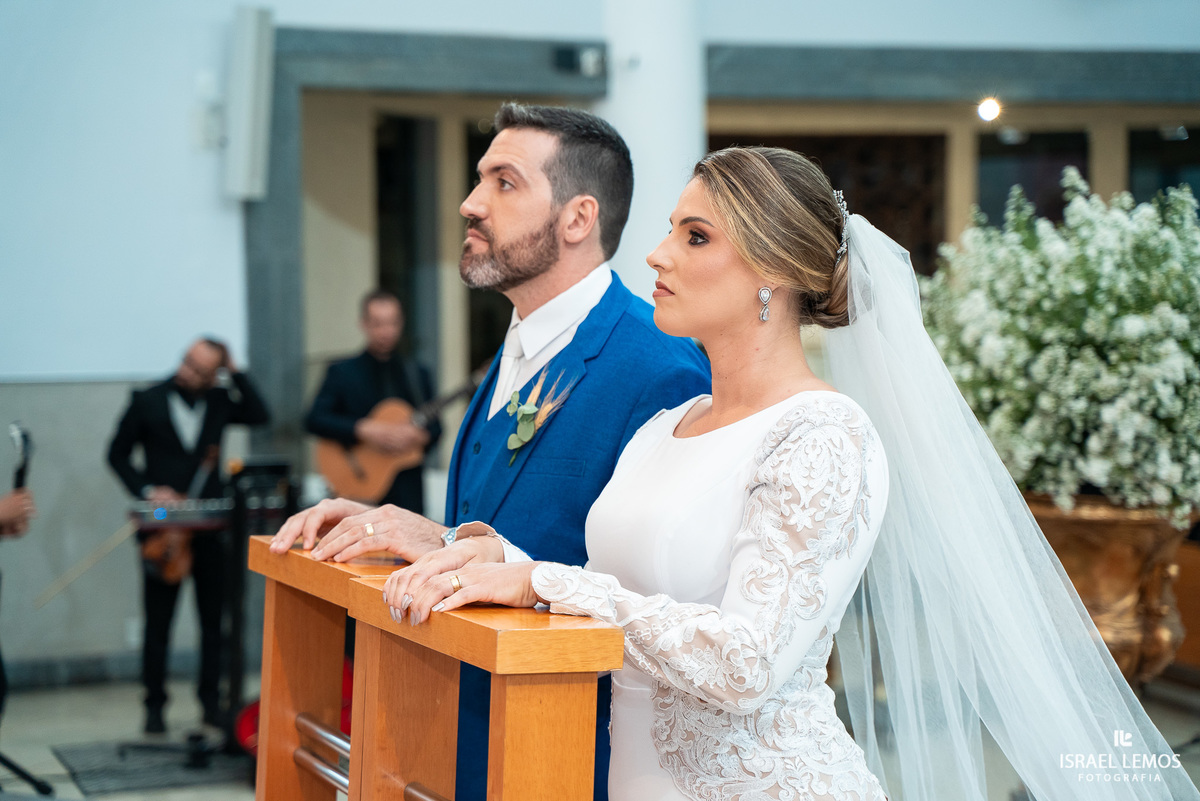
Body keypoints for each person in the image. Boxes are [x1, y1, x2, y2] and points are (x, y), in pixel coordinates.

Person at [386, 147, 1200, 801]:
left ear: (772, 274)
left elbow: (746, 662)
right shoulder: (665, 426)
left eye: (695, 237)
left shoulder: (823, 435)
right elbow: (604, 587)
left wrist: (544, 584)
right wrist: (499, 557)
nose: (658, 253)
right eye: (671, 228)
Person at [270, 103, 711, 800]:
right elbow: (483, 533)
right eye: (479, 180)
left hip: (566, 750)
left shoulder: (659, 368)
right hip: (457, 734)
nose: (470, 204)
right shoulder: (509, 351)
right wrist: (404, 534)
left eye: (503, 183)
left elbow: (664, 597)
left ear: (576, 219)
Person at [108, 338, 270, 734]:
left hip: (210, 530)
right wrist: (149, 490)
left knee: (214, 622)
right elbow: (116, 454)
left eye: (200, 369)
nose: (187, 372)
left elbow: (260, 413)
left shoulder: (219, 399)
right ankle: (154, 707)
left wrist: (236, 371)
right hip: (163, 529)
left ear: (213, 373)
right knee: (158, 621)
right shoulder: (146, 399)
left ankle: (211, 704)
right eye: (186, 363)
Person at [306, 290, 440, 512]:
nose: (386, 331)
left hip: (407, 489)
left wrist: (419, 437)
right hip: (357, 482)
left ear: (401, 323)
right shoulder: (342, 372)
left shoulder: (418, 373)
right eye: (378, 324)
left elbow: (436, 429)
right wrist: (363, 429)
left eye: (391, 323)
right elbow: (314, 419)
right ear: (364, 324)